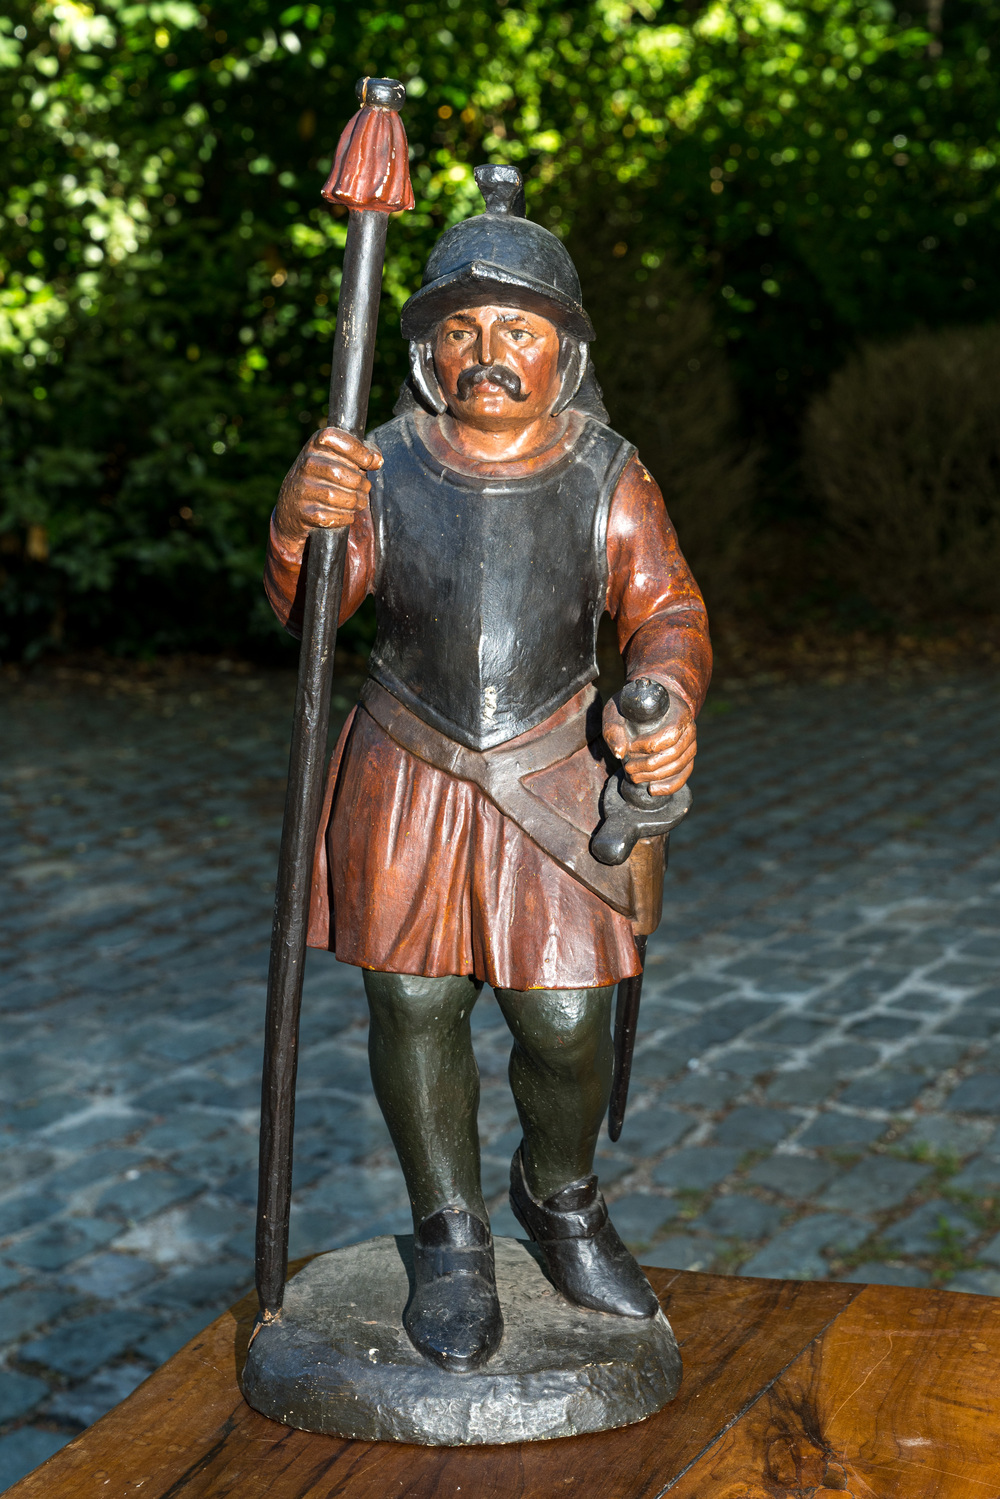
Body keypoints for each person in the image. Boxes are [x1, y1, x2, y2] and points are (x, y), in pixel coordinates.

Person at [264, 165, 711, 1374]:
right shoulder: (384, 463)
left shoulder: (606, 470)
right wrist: (305, 518)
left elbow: (664, 606)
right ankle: (449, 1230)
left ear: (563, 348)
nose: (487, 352)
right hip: (404, 764)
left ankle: (554, 1192)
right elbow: (316, 604)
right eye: (460, 328)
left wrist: (661, 693)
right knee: (412, 999)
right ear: (423, 349)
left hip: (552, 776)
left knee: (564, 1019)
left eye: (517, 328)